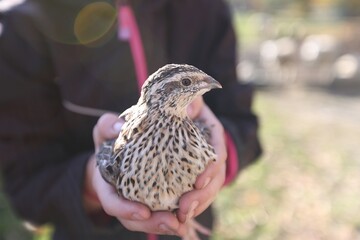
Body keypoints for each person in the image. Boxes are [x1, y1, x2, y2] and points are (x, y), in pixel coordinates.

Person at [0, 0, 262, 239]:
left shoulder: (203, 8)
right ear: (165, 94)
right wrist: (93, 181)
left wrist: (221, 152)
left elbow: (242, 121)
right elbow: (27, 184)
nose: (205, 85)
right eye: (186, 83)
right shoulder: (27, 25)